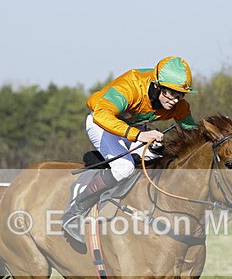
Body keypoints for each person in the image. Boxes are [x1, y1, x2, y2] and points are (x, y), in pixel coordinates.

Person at [62, 56, 199, 240]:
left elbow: (192, 131)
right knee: (124, 168)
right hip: (102, 124)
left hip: (132, 129)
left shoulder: (177, 104)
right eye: (171, 93)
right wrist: (139, 135)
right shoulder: (131, 87)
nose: (175, 100)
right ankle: (74, 212)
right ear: (157, 86)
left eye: (180, 95)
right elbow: (101, 115)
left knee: (161, 154)